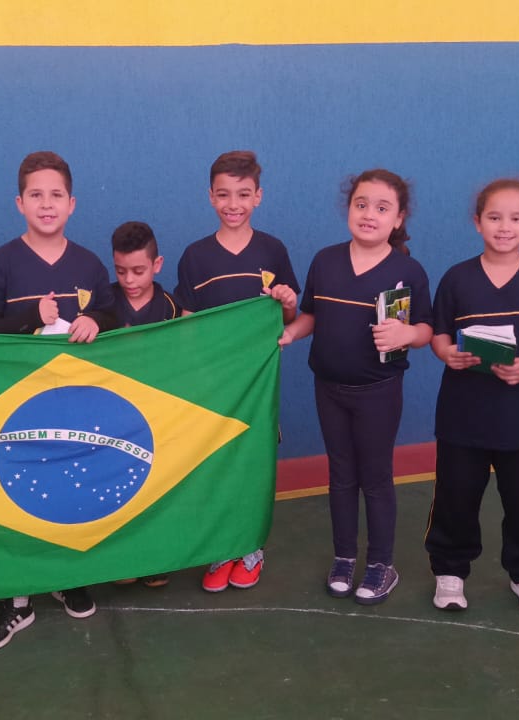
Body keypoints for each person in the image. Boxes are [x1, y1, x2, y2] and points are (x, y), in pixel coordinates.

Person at [0, 151, 116, 651]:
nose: (46, 204)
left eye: (56, 195)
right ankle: (17, 598)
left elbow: (114, 316)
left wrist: (97, 320)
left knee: (73, 488)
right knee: (18, 495)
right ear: (19, 203)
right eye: (36, 195)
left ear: (72, 203)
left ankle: (69, 576)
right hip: (17, 407)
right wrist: (32, 316)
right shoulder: (1, 262)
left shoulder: (89, 263)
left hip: (76, 405)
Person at [279, 169, 432, 604]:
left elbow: (426, 328)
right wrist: (289, 333)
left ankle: (381, 563)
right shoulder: (325, 261)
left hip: (378, 391)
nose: (369, 214)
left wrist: (407, 334)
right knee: (341, 475)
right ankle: (344, 556)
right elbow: (311, 315)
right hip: (328, 388)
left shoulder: (408, 271)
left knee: (375, 477)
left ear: (398, 219)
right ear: (348, 208)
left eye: (382, 208)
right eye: (361, 204)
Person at [424, 179, 519, 615]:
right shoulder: (457, 278)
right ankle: (450, 570)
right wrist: (446, 354)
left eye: (515, 218)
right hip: (463, 416)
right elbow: (438, 333)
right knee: (455, 497)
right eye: (494, 217)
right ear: (477, 223)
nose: (504, 227)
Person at [174, 149, 299, 593]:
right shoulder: (195, 256)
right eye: (224, 194)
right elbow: (187, 324)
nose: (234, 204)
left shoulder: (272, 250)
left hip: (257, 384)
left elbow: (288, 317)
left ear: (258, 196)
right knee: (216, 465)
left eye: (243, 194)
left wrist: (287, 302)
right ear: (210, 196)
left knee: (252, 465)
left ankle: (249, 547)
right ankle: (220, 548)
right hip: (213, 384)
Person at [108, 220, 179, 588]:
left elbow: (192, 349)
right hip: (112, 416)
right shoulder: (104, 302)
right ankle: (121, 559)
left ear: (157, 265)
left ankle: (154, 557)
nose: (129, 279)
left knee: (155, 486)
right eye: (121, 271)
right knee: (117, 487)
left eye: (138, 270)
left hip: (156, 416)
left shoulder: (171, 307)